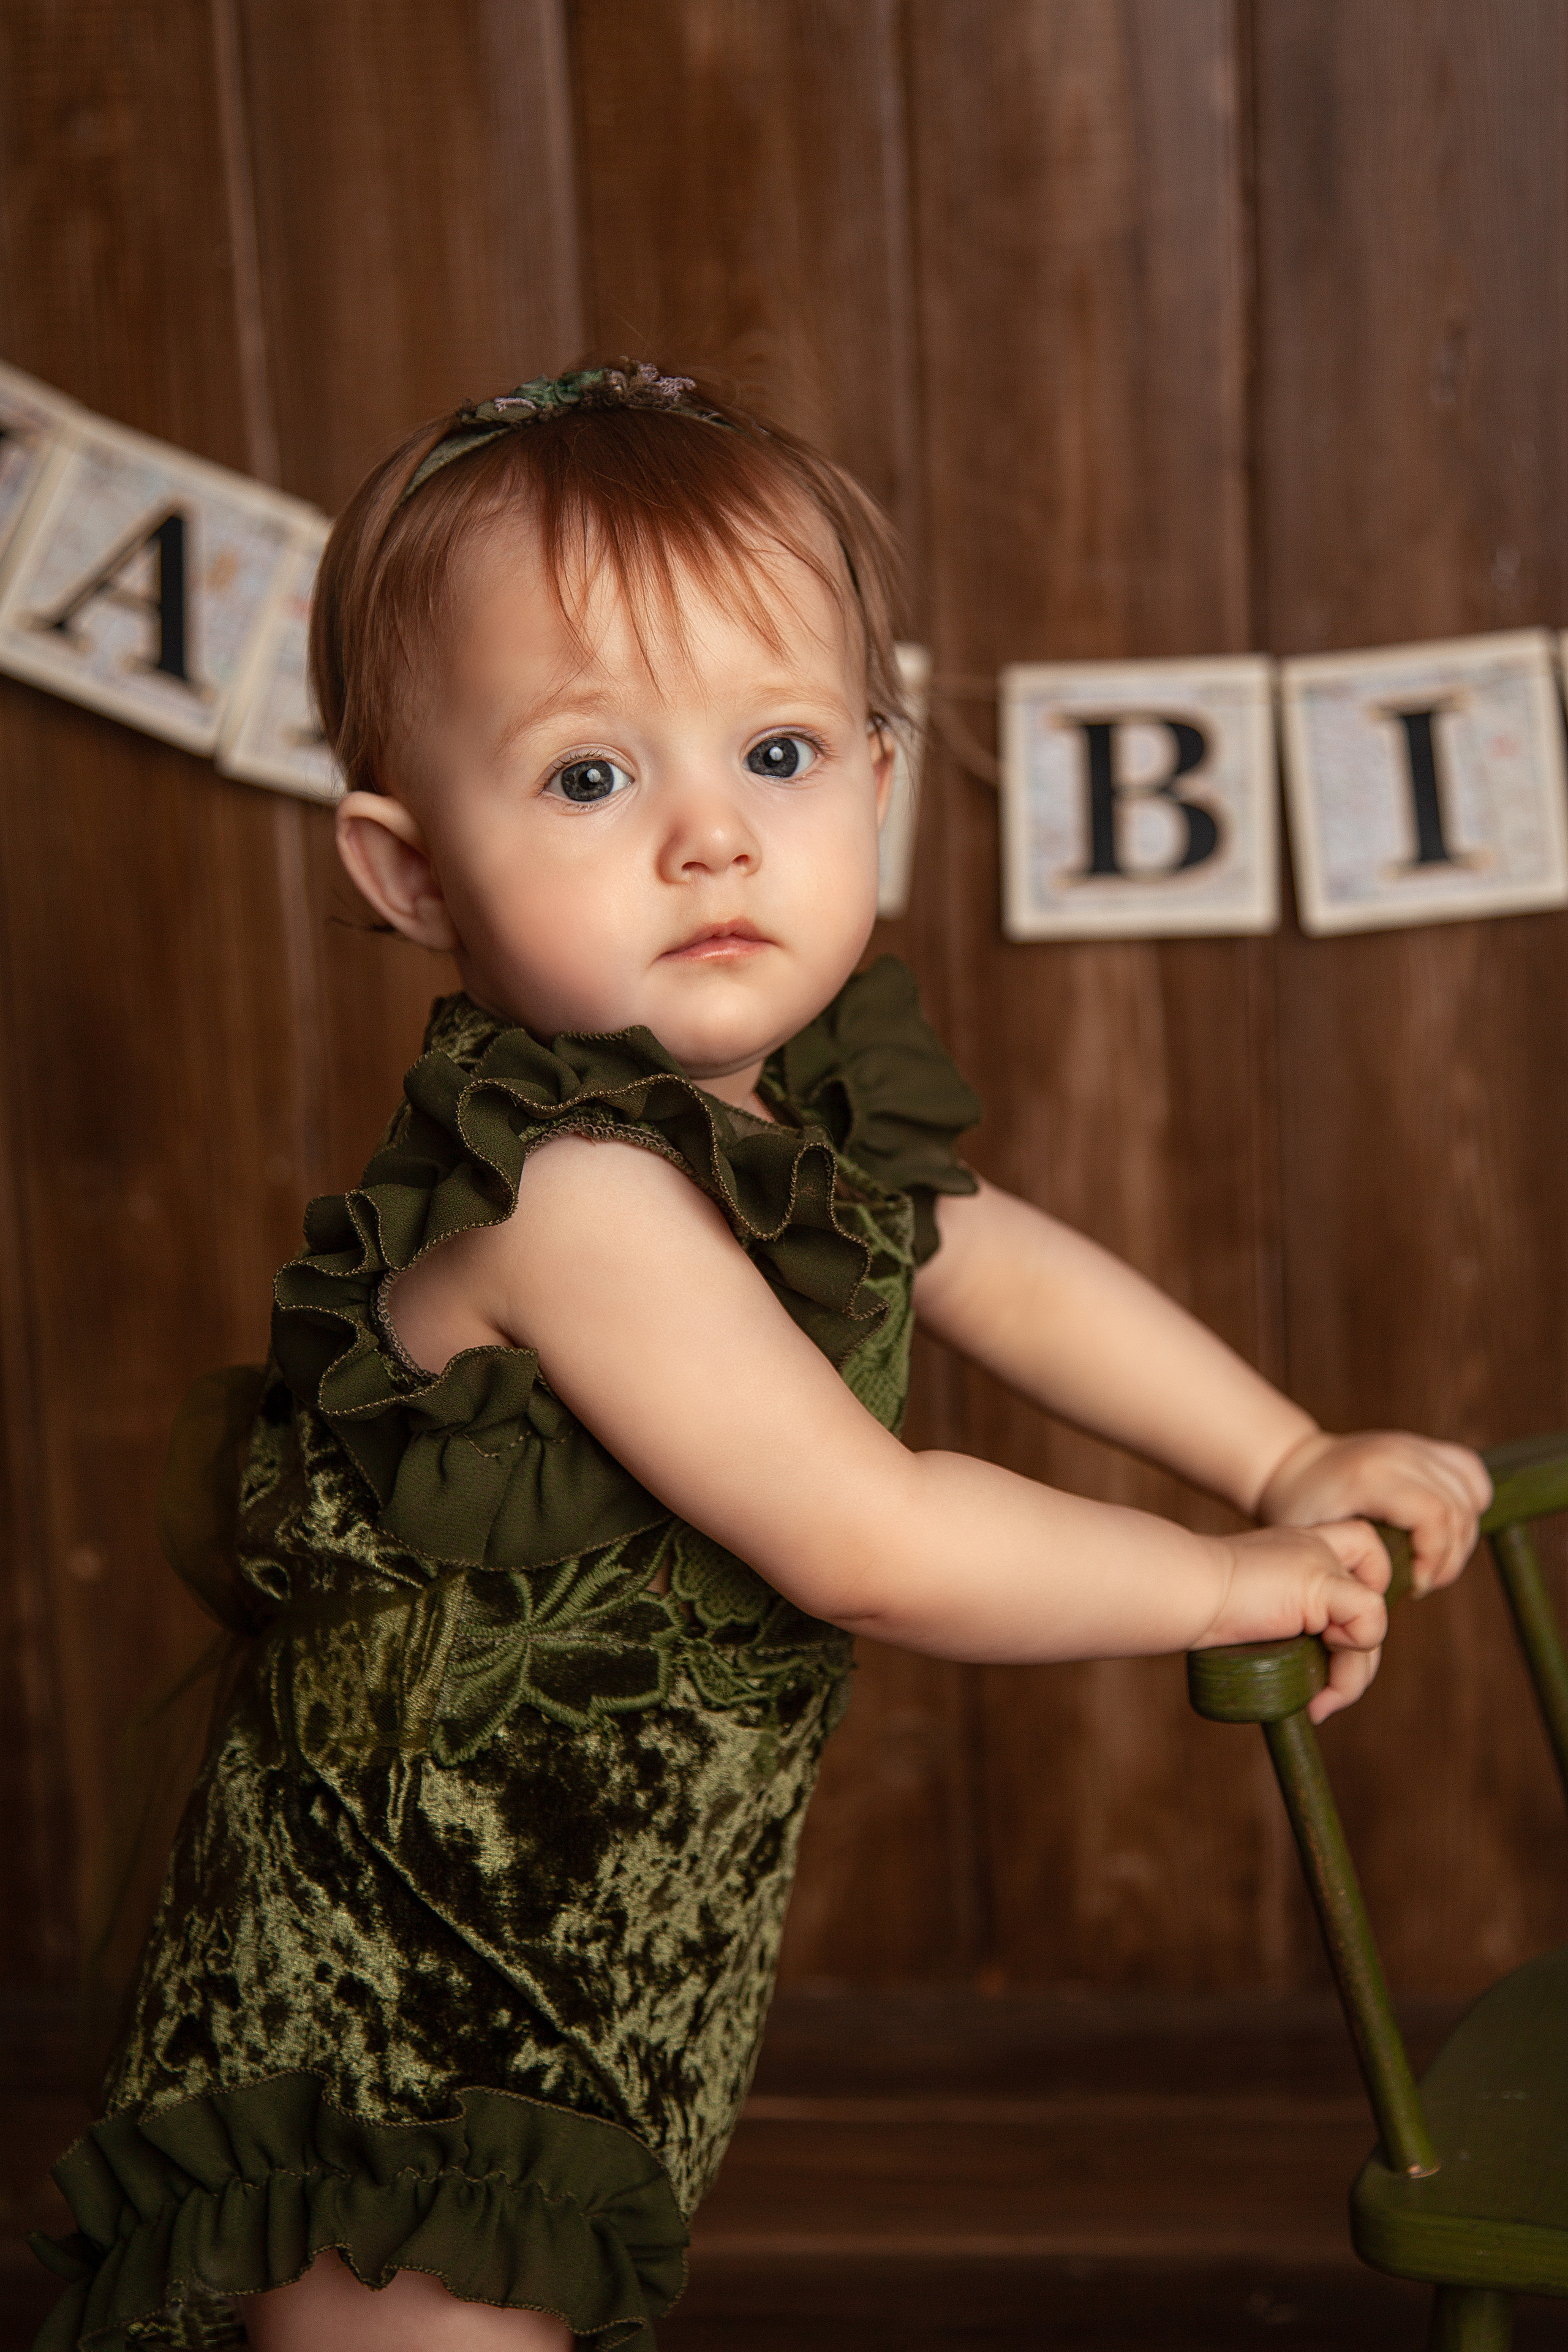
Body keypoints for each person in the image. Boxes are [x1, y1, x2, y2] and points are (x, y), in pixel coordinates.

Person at [34, 362, 1490, 2352]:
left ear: (883, 779)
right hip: (415, 2006)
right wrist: (1228, 1581)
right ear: (410, 872)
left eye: (782, 753)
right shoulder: (568, 1199)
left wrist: (1284, 1449)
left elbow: (1000, 1263)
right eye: (589, 777)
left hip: (604, 1969)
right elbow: (868, 1541)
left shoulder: (783, 1124)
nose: (713, 839)